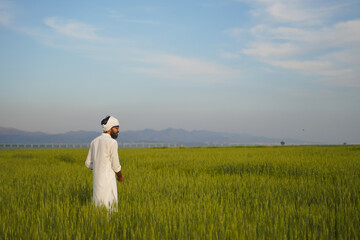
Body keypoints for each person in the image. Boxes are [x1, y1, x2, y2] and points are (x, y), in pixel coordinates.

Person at [85, 116, 124, 211]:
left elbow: (88, 163)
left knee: (98, 208)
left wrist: (98, 166)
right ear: (110, 128)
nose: (118, 130)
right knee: (110, 209)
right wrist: (120, 176)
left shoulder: (94, 141)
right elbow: (116, 166)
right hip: (108, 182)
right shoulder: (112, 142)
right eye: (116, 128)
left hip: (97, 182)